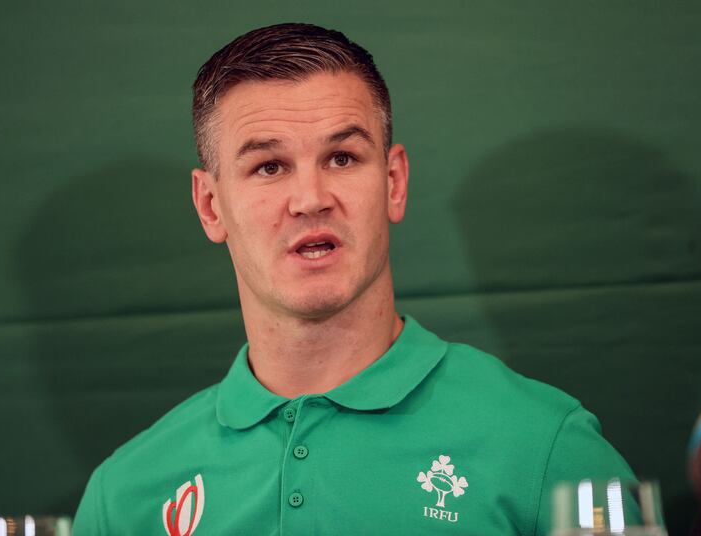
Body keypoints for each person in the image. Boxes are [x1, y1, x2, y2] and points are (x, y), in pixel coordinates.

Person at [73, 23, 634, 535]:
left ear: (393, 182)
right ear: (211, 205)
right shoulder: (124, 495)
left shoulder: (547, 447)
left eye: (342, 157)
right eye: (268, 166)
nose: (311, 199)